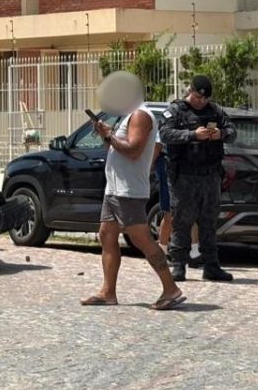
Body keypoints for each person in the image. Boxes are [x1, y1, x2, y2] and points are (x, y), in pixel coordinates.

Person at [80, 72, 185, 310]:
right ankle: (108, 291)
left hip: (128, 191)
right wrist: (106, 135)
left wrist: (108, 135)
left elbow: (134, 150)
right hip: (115, 189)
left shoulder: (140, 115)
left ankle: (171, 288)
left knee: (142, 239)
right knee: (107, 235)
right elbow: (120, 148)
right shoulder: (128, 116)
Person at [158, 75, 236, 282]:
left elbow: (232, 131)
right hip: (184, 176)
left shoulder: (216, 111)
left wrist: (220, 134)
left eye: (205, 99)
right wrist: (193, 135)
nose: (201, 101)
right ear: (190, 91)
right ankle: (179, 265)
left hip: (210, 175)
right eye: (198, 97)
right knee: (182, 222)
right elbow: (165, 134)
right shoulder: (175, 110)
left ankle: (211, 265)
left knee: (209, 221)